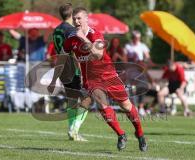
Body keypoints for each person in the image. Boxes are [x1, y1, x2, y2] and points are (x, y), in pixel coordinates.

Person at [63, 7, 147, 151]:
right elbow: (65, 54)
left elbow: (98, 54)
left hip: (109, 75)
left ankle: (140, 134)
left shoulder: (96, 34)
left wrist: (82, 38)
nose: (76, 21)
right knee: (103, 106)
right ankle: (121, 134)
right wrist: (77, 70)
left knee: (126, 106)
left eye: (79, 18)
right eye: (74, 19)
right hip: (92, 80)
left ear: (86, 19)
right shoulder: (70, 39)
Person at [47, 3, 89, 141]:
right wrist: (81, 71)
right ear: (72, 15)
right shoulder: (71, 30)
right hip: (73, 67)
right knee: (86, 99)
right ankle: (74, 130)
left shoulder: (56, 30)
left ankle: (72, 132)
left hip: (62, 67)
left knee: (71, 100)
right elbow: (74, 51)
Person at [124, 30, 154, 116]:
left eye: (138, 38)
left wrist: (146, 63)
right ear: (133, 37)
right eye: (136, 37)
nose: (137, 39)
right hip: (131, 70)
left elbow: (147, 57)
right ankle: (135, 107)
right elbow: (125, 59)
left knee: (142, 88)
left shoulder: (142, 46)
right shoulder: (128, 46)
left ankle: (141, 107)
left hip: (140, 70)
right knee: (131, 89)